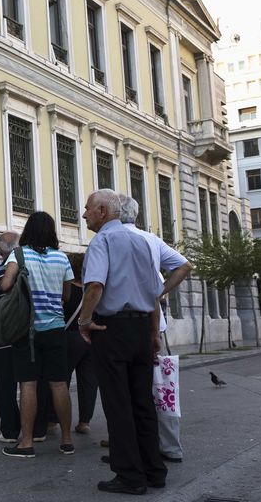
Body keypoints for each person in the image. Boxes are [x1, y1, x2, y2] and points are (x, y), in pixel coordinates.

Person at [78, 189, 166, 495]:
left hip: (112, 329)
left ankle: (129, 475)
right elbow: (155, 293)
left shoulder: (101, 241)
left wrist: (84, 320)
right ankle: (153, 468)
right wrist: (154, 333)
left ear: (102, 211)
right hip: (141, 329)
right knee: (142, 402)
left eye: (88, 208)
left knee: (118, 404)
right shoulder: (142, 241)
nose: (84, 213)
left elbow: (94, 286)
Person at [119, 194, 192, 463]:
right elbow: (185, 266)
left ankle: (133, 445)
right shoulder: (151, 239)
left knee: (129, 390)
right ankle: (167, 445)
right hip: (154, 324)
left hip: (125, 324)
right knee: (161, 387)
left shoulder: (111, 239)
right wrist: (159, 293)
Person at [0, 212, 75, 458]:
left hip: (27, 331)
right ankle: (66, 440)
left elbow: (5, 285)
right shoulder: (62, 258)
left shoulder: (19, 255)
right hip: (56, 329)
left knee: (28, 385)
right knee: (59, 384)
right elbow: (66, 296)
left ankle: (27, 443)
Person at [0, 231, 49, 444]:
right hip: (29, 336)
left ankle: (10, 431)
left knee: (5, 385)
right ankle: (38, 429)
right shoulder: (33, 269)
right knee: (33, 383)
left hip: (3, 338)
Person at [62, 252, 99, 436]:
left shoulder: (67, 291)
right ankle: (84, 421)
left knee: (62, 380)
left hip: (70, 337)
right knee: (89, 381)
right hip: (91, 339)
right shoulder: (92, 291)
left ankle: (55, 419)